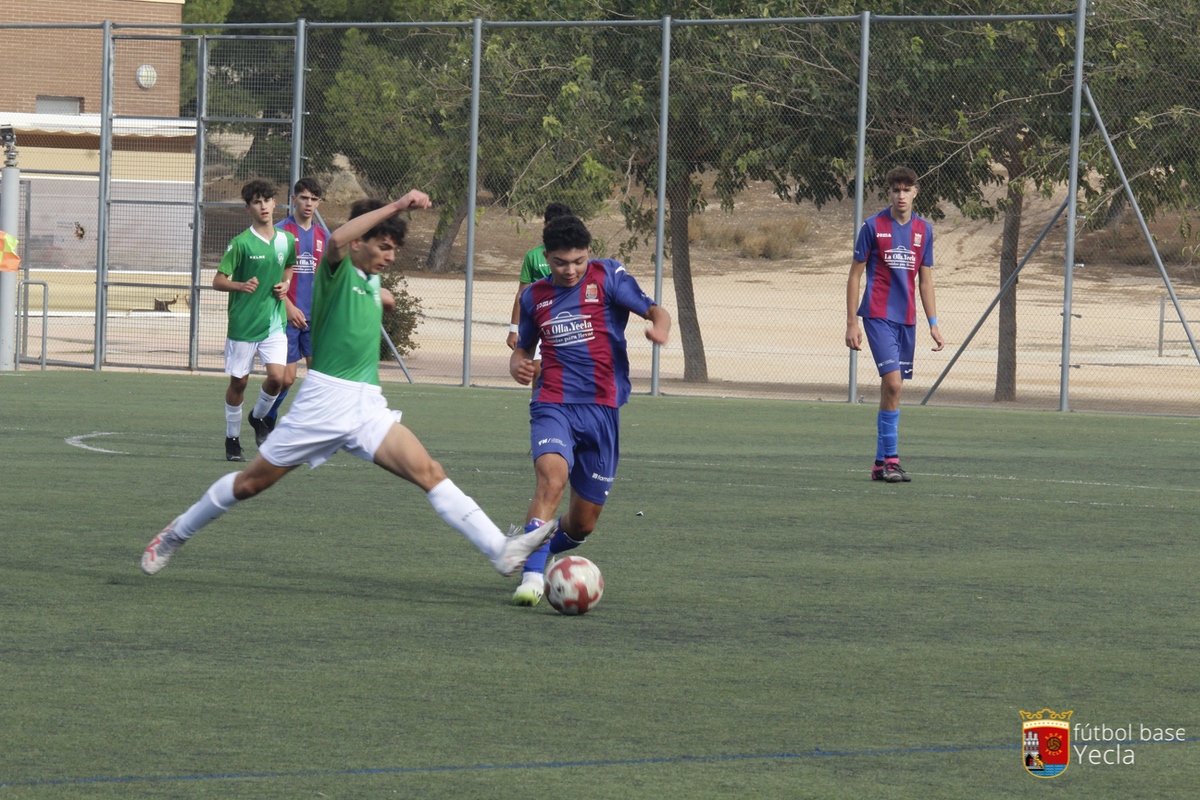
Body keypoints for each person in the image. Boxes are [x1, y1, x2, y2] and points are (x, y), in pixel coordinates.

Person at [142, 191, 554, 579]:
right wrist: (398, 205)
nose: (389, 256)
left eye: (394, 249)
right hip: (323, 402)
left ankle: (500, 551)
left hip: (366, 407)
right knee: (251, 483)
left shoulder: (371, 280)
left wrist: (385, 297)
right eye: (382, 247)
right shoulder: (335, 268)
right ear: (359, 243)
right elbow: (338, 238)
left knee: (429, 471)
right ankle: (175, 533)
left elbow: (377, 294)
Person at [507, 214, 671, 606]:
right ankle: (531, 579)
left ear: (588, 254)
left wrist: (659, 329)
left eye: (578, 261)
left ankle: (524, 546)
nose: (570, 270)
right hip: (553, 403)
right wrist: (518, 363)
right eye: (561, 262)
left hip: (603, 411)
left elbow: (656, 311)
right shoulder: (533, 296)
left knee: (583, 524)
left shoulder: (609, 277)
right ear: (546, 257)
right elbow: (524, 348)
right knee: (552, 480)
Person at [845, 166, 944, 483]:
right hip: (876, 315)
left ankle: (879, 463)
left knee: (893, 391)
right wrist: (851, 323)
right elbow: (854, 275)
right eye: (895, 190)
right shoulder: (872, 227)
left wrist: (934, 323)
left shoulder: (924, 231)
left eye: (906, 189)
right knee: (894, 384)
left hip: (907, 320)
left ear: (916, 192)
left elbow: (925, 282)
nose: (901, 195)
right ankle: (891, 461)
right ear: (888, 192)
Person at [214, 179, 297, 462]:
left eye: (267, 200)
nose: (263, 206)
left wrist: (286, 285)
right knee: (239, 383)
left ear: (275, 203)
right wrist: (240, 286)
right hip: (243, 326)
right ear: (249, 207)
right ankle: (232, 439)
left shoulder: (286, 239)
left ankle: (257, 417)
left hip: (274, 322)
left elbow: (288, 266)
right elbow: (218, 280)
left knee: (279, 378)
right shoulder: (240, 243)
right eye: (257, 202)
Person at [262, 177, 329, 435]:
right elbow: (271, 277)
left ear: (319, 202)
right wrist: (289, 308)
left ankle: (319, 430)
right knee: (286, 378)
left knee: (320, 379)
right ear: (293, 200)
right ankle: (267, 418)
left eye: (314, 199)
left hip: (315, 319)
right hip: (284, 316)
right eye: (304, 197)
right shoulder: (279, 233)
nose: (308, 203)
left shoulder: (325, 236)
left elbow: (327, 279)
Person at [505, 202, 574, 389]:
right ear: (545, 225)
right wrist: (513, 328)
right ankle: (539, 410)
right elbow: (522, 293)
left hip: (569, 323)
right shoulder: (533, 256)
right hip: (541, 323)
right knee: (539, 372)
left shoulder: (575, 255)